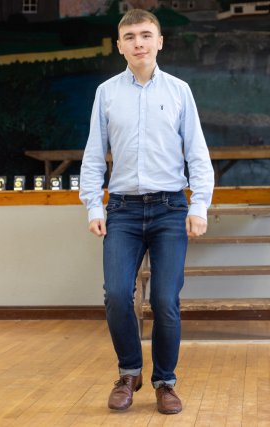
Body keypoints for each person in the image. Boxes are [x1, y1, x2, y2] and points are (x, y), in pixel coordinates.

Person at [79, 9, 214, 415]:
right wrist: (93, 205)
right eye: (130, 37)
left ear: (159, 42)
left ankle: (165, 382)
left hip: (170, 208)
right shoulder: (106, 93)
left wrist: (199, 205)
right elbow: (93, 155)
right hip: (122, 209)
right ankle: (129, 373)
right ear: (119, 46)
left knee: (165, 299)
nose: (138, 43)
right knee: (117, 295)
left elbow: (197, 154)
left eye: (145, 35)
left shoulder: (179, 91)